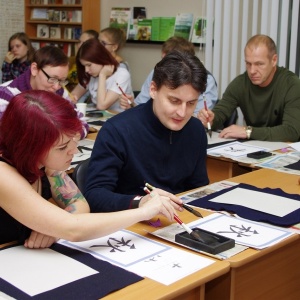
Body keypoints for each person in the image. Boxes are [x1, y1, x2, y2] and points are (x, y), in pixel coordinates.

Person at [0, 90, 178, 248]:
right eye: (62, 147)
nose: (74, 151)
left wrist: (53, 227)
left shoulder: (45, 165)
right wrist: (143, 212)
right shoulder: (4, 174)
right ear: (30, 147)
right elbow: (74, 230)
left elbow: (79, 204)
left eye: (74, 140)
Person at [84, 51, 209, 213]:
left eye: (191, 103)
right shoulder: (117, 131)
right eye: (174, 101)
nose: (182, 113)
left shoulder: (195, 130)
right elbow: (94, 195)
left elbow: (198, 190)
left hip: (178, 221)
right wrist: (141, 202)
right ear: (153, 89)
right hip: (128, 222)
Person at [198, 34, 300, 142]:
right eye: (248, 64)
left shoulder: (291, 85)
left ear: (274, 60)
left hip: (287, 151)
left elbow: (291, 131)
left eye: (259, 64)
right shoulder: (240, 83)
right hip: (254, 148)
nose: (252, 71)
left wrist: (248, 131)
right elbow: (221, 113)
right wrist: (211, 119)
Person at [0, 45, 89, 138]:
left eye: (62, 80)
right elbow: (7, 137)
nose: (56, 86)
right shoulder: (6, 95)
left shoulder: (60, 92)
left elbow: (81, 123)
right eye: (53, 79)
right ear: (34, 69)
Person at [120, 36, 218, 114]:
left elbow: (199, 116)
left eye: (168, 61)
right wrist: (131, 105)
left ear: (185, 60)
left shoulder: (205, 79)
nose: (163, 65)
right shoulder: (157, 72)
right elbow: (141, 105)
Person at [71, 38, 133, 112]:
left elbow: (102, 106)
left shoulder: (121, 74)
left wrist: (102, 75)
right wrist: (71, 99)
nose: (86, 70)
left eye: (89, 65)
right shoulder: (91, 74)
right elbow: (71, 97)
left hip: (120, 118)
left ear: (100, 59)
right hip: (97, 119)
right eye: (84, 66)